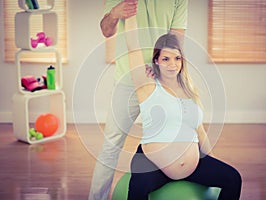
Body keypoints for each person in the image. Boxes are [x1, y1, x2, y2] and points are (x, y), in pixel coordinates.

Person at [125, 28, 242, 199]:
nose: (173, 64)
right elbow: (132, 47)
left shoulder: (189, 90)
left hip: (192, 166)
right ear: (156, 60)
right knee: (138, 187)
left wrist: (213, 160)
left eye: (177, 58)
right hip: (153, 164)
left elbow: (200, 131)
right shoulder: (148, 87)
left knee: (233, 178)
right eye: (165, 59)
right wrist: (130, 12)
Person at [89, 1, 188, 199]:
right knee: (111, 145)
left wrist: (160, 67)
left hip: (161, 81)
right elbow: (106, 30)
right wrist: (114, 13)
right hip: (126, 79)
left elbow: (176, 40)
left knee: (171, 139)